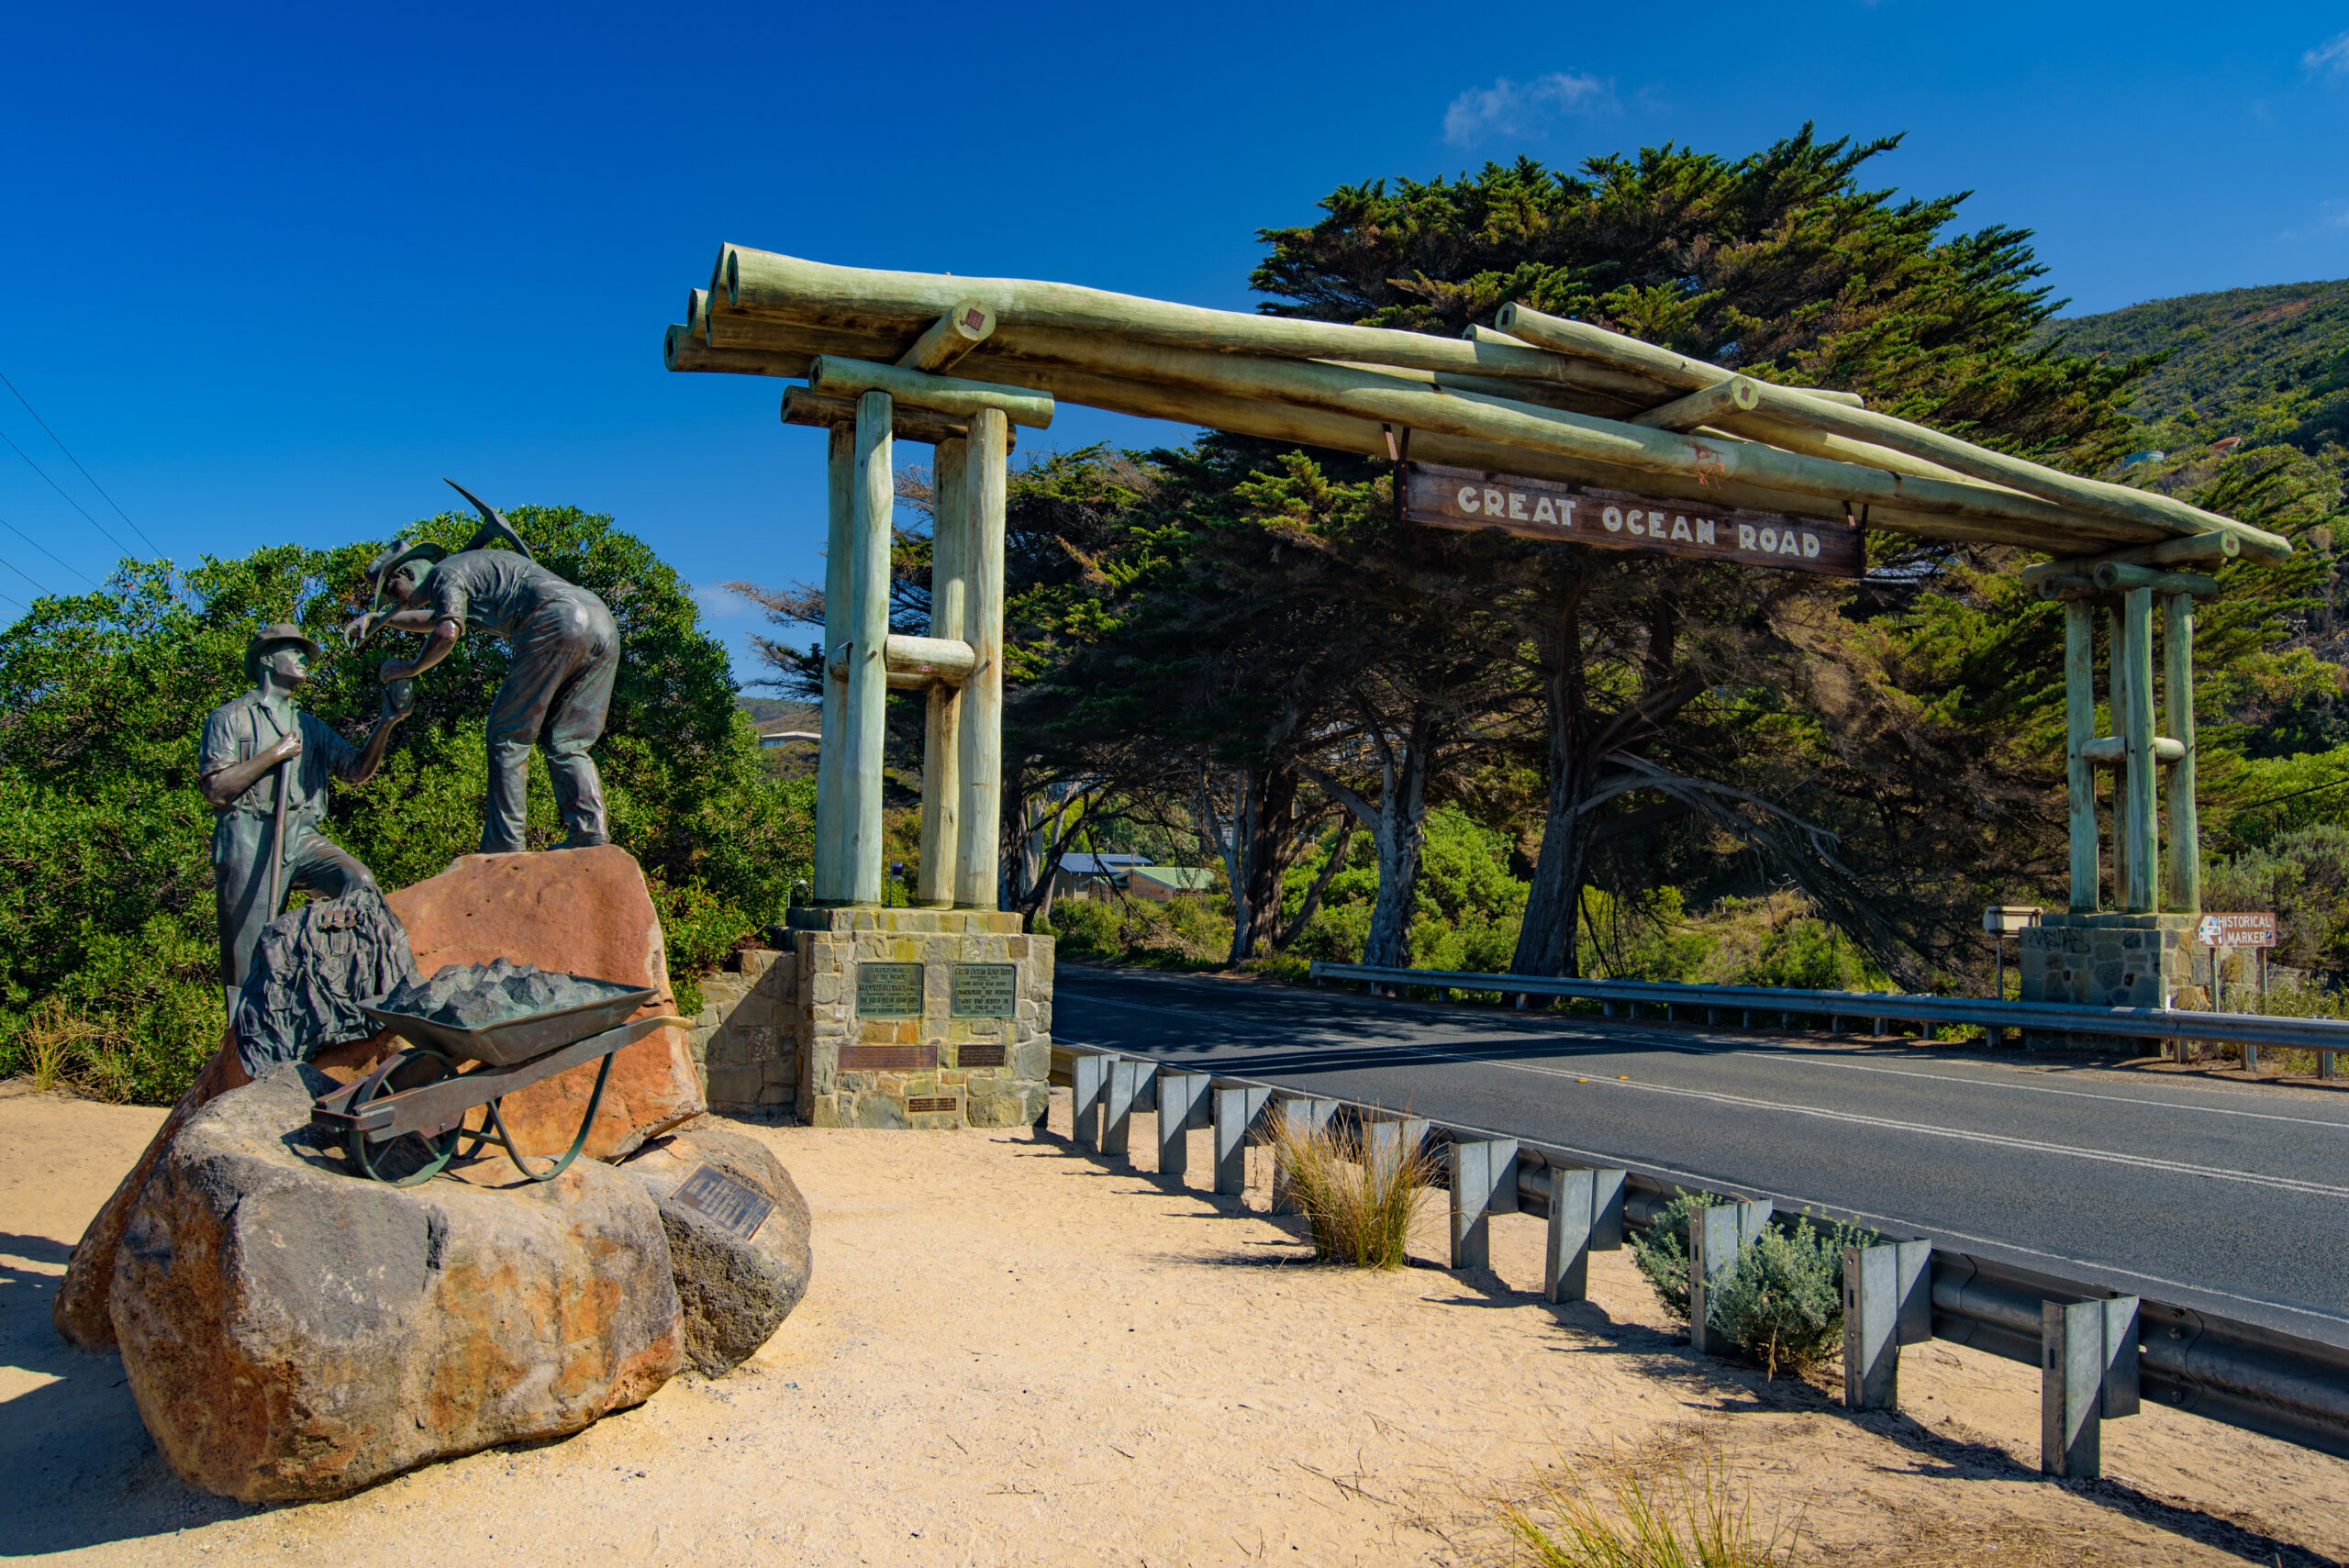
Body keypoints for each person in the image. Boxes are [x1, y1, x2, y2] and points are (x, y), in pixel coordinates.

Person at [350, 531, 618, 855]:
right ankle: (588, 834)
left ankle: (503, 845)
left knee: (506, 734)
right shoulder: (463, 569)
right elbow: (436, 617)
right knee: (567, 742)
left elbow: (447, 631)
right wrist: (381, 619)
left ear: (407, 573)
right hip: (601, 621)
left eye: (392, 591)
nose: (396, 602)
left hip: (555, 618)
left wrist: (412, 667)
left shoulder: (443, 573)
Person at [199, 624, 411, 1013]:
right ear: (267, 659)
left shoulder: (309, 725)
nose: (303, 660)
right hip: (249, 832)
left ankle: (341, 989)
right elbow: (217, 791)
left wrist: (388, 721)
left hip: (300, 832)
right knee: (246, 951)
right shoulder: (231, 718)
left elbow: (356, 771)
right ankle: (241, 1035)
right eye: (294, 652)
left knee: (358, 882)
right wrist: (273, 754)